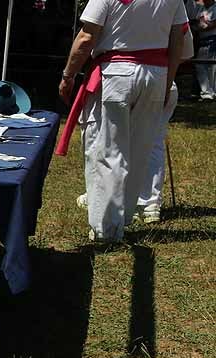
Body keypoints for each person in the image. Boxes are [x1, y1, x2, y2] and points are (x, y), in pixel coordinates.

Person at [56, 0, 189, 243]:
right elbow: (178, 38)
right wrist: (168, 81)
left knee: (109, 150)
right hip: (155, 75)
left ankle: (106, 228)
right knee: (140, 149)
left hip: (118, 73)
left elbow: (86, 37)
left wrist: (68, 75)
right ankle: (123, 217)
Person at [76, 27, 194, 222]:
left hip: (121, 77)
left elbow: (88, 40)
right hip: (159, 76)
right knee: (152, 141)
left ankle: (106, 198)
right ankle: (148, 203)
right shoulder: (173, 8)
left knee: (110, 142)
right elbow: (186, 51)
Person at [196, 0, 216, 98]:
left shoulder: (215, 8)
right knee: (202, 66)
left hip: (212, 40)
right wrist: (204, 24)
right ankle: (209, 91)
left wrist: (203, 25)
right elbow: (198, 23)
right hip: (203, 40)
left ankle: (208, 92)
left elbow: (212, 25)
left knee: (209, 67)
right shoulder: (201, 8)